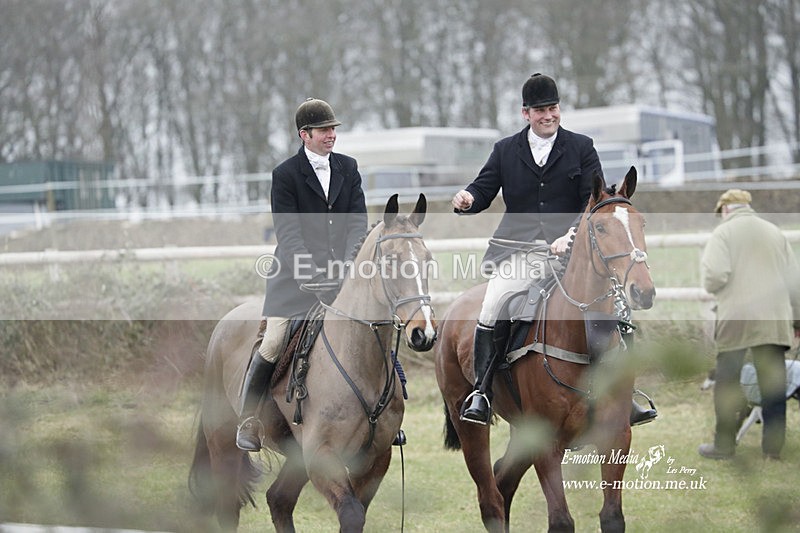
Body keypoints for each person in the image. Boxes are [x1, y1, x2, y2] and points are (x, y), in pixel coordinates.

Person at [452, 73, 657, 426]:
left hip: (572, 253)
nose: (548, 115)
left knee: (617, 309)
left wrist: (571, 234)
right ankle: (483, 392)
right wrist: (468, 199)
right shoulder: (505, 150)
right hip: (520, 250)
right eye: (540, 110)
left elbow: (593, 201)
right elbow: (483, 189)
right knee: (494, 302)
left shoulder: (581, 146)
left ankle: (627, 394)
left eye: (553, 108)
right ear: (525, 113)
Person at [236, 98, 368, 452]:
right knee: (275, 339)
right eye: (324, 130)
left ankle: (381, 413)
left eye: (333, 129)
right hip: (294, 280)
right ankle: (249, 418)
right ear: (304, 135)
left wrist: (349, 262)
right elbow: (288, 232)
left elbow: (357, 223)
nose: (331, 135)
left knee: (371, 328)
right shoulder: (285, 175)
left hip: (340, 276)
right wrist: (308, 269)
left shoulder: (349, 168)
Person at [698, 189, 800, 460]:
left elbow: (715, 277)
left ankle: (724, 445)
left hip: (737, 321)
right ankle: (772, 451)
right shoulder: (774, 232)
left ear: (726, 209)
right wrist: (798, 320)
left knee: (727, 383)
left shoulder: (723, 233)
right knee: (774, 387)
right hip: (773, 321)